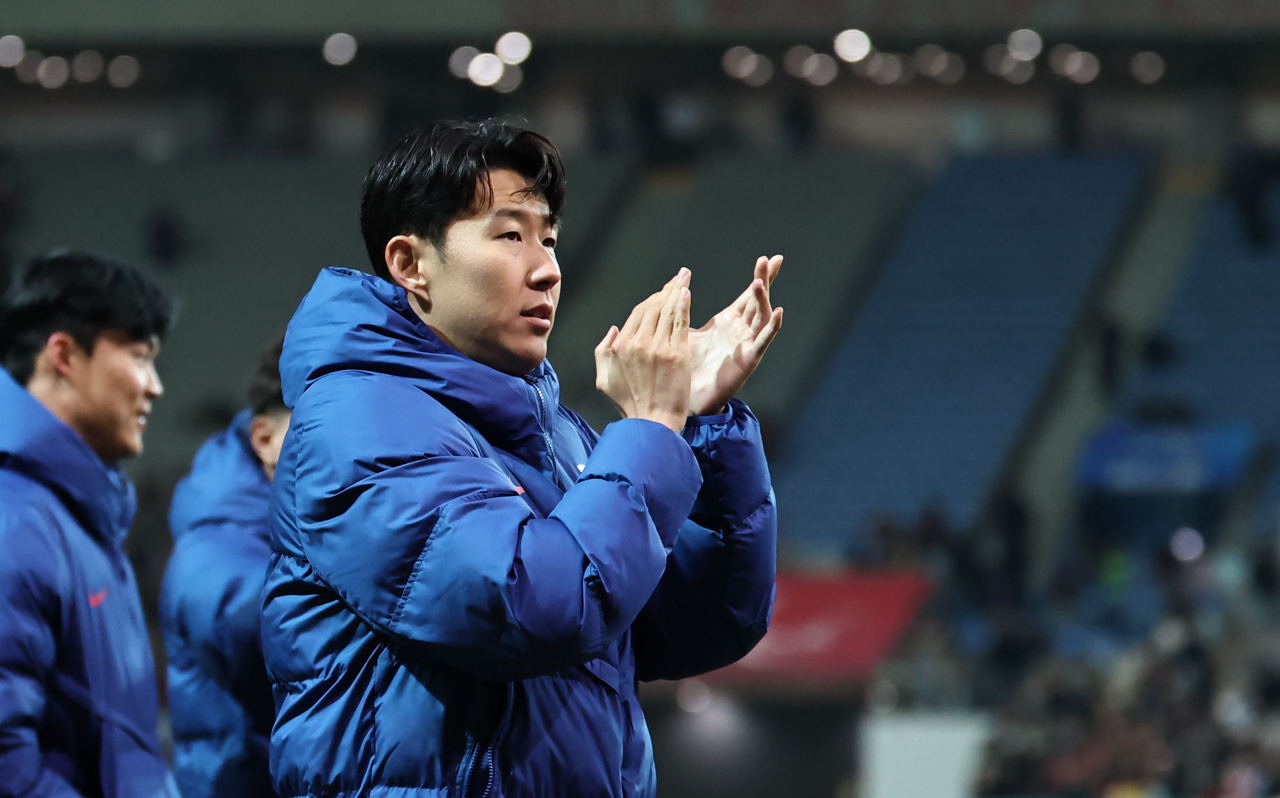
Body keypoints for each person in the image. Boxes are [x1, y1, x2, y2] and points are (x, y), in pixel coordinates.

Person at [263, 120, 783, 797]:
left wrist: (701, 423)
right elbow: (531, 608)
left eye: (550, 238)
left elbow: (700, 627)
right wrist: (653, 425)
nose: (547, 268)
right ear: (410, 263)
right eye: (510, 235)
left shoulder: (559, 435)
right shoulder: (359, 420)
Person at [0, 252, 176, 798]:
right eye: (140, 357)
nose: (155, 386)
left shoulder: (78, 517)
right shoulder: (16, 522)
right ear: (64, 354)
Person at [160, 336, 289, 798]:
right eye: (314, 429)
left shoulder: (293, 522)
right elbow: (265, 636)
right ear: (264, 438)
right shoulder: (213, 544)